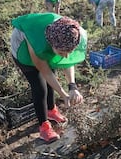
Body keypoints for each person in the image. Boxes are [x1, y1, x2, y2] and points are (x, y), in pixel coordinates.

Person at [10, 13, 87, 142]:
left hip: (48, 44)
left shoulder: (72, 34)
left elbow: (68, 62)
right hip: (22, 48)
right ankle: (44, 126)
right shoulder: (37, 42)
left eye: (69, 52)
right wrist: (63, 95)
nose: (66, 56)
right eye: (62, 53)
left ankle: (51, 110)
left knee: (52, 76)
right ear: (51, 44)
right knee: (40, 86)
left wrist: (72, 87)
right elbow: (44, 71)